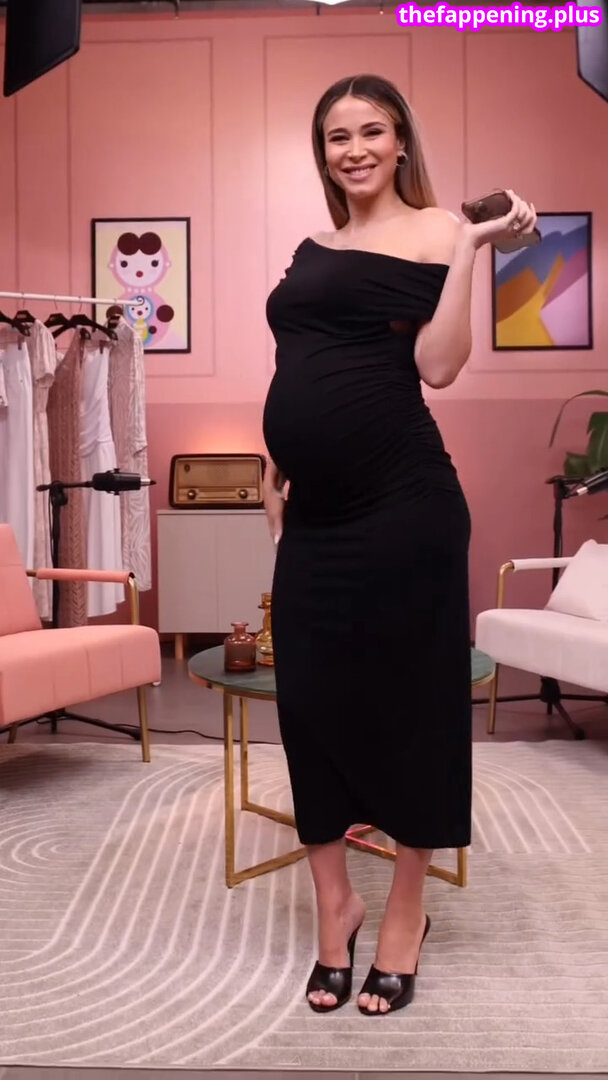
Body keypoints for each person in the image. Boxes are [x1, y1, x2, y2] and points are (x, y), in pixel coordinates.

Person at [261, 73, 536, 1017]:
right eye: (336, 136)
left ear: (401, 141)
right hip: (315, 513)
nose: (354, 150)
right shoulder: (314, 249)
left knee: (414, 706)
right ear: (323, 152)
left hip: (405, 505)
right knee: (308, 703)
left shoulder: (438, 233)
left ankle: (405, 912)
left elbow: (439, 365)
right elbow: (297, 360)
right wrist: (275, 462)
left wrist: (471, 247)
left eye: (371, 131)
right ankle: (333, 902)